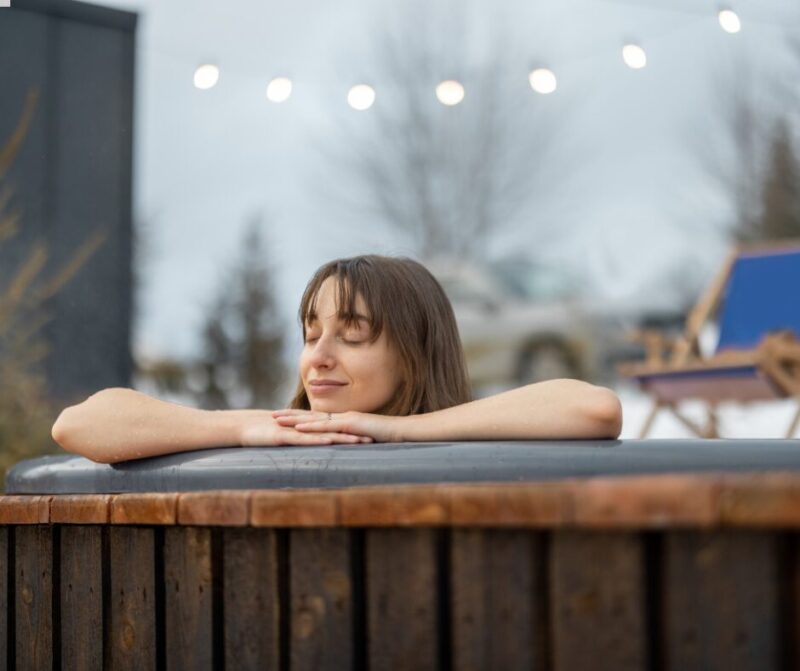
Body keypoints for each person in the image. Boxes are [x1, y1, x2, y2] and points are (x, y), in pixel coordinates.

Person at [51, 255, 623, 464]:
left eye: (353, 336)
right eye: (311, 333)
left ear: (416, 353)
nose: (319, 357)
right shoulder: (284, 435)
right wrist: (250, 429)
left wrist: (397, 431)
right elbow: (76, 424)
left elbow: (595, 409)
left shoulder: (466, 443)